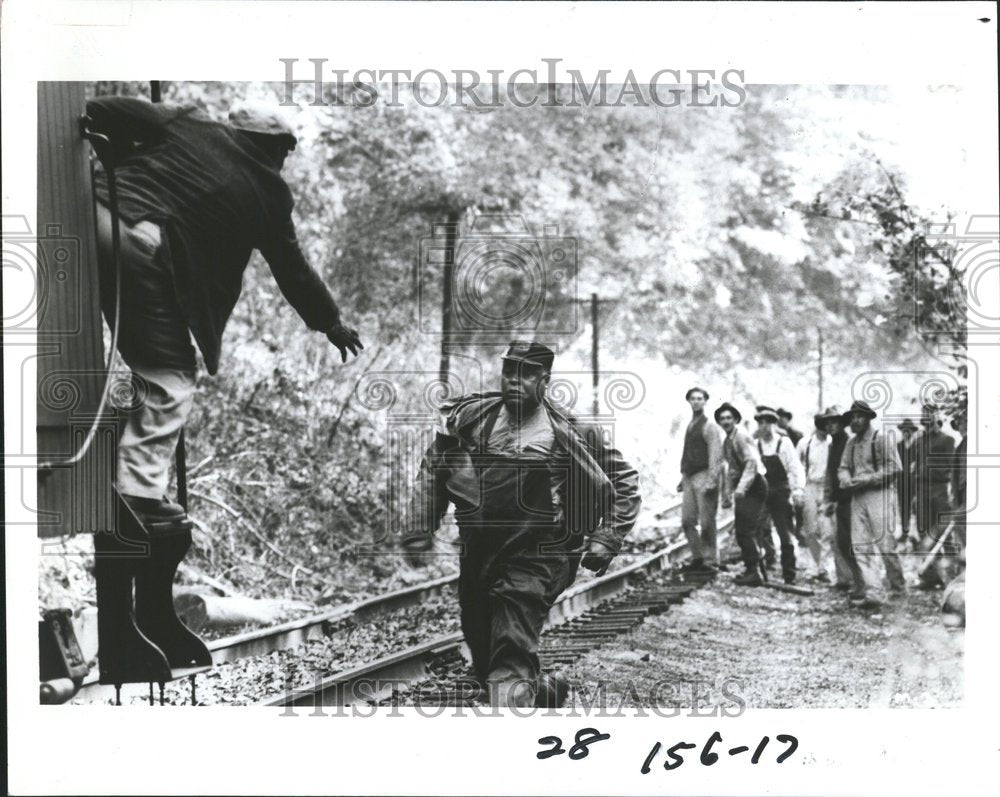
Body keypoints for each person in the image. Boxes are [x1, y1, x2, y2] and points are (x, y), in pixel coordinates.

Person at [85, 95, 364, 527]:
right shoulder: (271, 195)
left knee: (85, 336)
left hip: (87, 215)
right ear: (272, 146)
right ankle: (137, 492)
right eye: (286, 150)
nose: (285, 161)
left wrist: (119, 160)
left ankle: (102, 459)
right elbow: (294, 272)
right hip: (142, 244)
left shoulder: (188, 122)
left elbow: (101, 110)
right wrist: (332, 323)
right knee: (171, 373)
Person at [401, 341, 641, 707]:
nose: (515, 381)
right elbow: (436, 468)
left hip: (541, 554)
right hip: (481, 550)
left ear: (544, 381)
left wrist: (606, 538)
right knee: (482, 645)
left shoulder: (571, 431)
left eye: (527, 374)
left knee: (511, 641)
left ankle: (512, 720)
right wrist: (420, 527)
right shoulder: (473, 418)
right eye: (509, 371)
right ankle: (543, 691)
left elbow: (623, 480)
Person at [837, 400, 906, 608]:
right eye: (853, 418)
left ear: (868, 418)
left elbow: (896, 467)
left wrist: (870, 478)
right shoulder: (851, 443)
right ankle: (874, 592)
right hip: (857, 497)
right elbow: (843, 467)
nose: (855, 421)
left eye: (859, 417)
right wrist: (845, 479)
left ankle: (898, 589)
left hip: (880, 495)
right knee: (861, 546)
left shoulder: (881, 439)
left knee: (885, 545)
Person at [718, 402, 768, 587]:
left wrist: (741, 489)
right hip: (746, 487)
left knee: (745, 530)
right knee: (742, 530)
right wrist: (727, 494)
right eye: (722, 419)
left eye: (729, 418)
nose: (726, 421)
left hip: (755, 485)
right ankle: (751, 569)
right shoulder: (728, 440)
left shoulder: (742, 437)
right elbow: (732, 470)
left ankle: (754, 572)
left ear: (735, 419)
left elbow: (751, 464)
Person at [754, 406, 805, 584]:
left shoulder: (784, 443)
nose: (765, 426)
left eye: (768, 423)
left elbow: (794, 467)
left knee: (785, 534)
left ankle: (789, 574)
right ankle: (760, 572)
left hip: (781, 492)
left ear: (775, 424)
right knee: (758, 530)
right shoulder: (756, 445)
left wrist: (797, 489)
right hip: (763, 493)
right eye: (761, 423)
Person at [677, 387, 725, 575]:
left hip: (704, 475)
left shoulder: (709, 426)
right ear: (689, 401)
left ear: (705, 401)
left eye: (700, 398)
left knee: (706, 522)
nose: (696, 401)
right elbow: (687, 452)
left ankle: (711, 560)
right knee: (687, 520)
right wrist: (683, 477)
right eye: (693, 398)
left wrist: (712, 480)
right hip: (689, 477)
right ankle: (697, 557)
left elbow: (716, 455)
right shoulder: (690, 425)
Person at [820, 406, 865, 596]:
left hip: (852, 499)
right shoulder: (833, 445)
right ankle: (850, 580)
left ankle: (862, 583)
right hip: (840, 500)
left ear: (841, 423)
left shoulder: (850, 443)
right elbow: (831, 473)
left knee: (854, 542)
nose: (830, 426)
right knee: (841, 541)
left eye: (834, 422)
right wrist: (829, 498)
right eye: (827, 423)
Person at [796, 409, 839, 583]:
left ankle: (825, 567)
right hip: (810, 486)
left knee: (828, 530)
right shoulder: (805, 443)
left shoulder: (832, 443)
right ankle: (815, 566)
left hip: (827, 488)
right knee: (811, 529)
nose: (824, 429)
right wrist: (798, 489)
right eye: (821, 425)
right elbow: (797, 467)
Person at [913, 406, 956, 553]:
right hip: (921, 490)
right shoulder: (918, 441)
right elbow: (915, 466)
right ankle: (931, 571)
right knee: (923, 529)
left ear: (937, 419)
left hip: (940, 489)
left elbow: (953, 468)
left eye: (930, 415)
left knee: (944, 531)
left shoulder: (947, 440)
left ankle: (952, 567)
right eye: (924, 415)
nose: (927, 418)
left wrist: (952, 491)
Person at [896, 419, 920, 548]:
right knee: (903, 508)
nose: (906, 433)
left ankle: (915, 535)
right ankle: (905, 533)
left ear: (912, 432)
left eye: (908, 431)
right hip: (901, 483)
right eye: (904, 431)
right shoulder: (898, 446)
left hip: (915, 483)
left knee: (916, 508)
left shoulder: (918, 446)